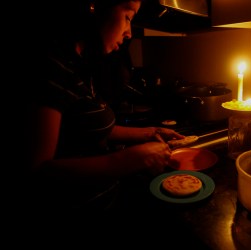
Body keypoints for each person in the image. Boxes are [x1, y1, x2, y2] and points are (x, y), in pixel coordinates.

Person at [21, 0, 185, 212]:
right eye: (128, 17)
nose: (129, 33)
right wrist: (129, 160)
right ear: (95, 6)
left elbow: (84, 129)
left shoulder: (81, 65)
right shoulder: (50, 67)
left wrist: (149, 132)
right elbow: (38, 171)